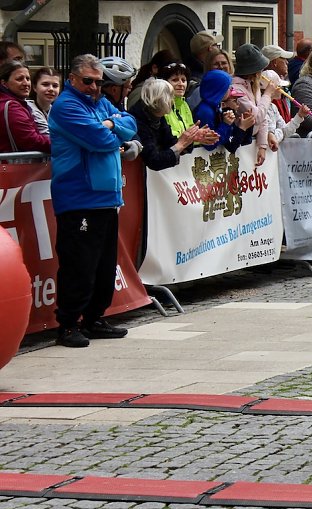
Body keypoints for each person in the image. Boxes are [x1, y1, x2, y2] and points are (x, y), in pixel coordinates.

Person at [49, 54, 138, 348]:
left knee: (103, 264)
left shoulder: (100, 103)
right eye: (87, 81)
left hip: (105, 197)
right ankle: (68, 324)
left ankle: (94, 318)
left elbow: (130, 123)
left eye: (98, 82)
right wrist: (113, 128)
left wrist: (110, 125)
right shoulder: (66, 105)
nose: (94, 87)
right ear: (72, 79)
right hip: (78, 197)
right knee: (80, 265)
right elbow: (100, 139)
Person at [131, 78, 216, 170]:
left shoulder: (158, 116)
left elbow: (170, 142)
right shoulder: (138, 121)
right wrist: (181, 144)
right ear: (159, 99)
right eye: (170, 96)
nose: (173, 101)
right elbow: (154, 160)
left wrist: (190, 139)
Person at [231, 43, 279, 164]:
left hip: (249, 144)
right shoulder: (236, 89)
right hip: (238, 145)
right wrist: (267, 94)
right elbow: (256, 117)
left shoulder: (254, 85)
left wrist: (262, 146)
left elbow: (263, 118)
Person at [193, 70, 256, 152]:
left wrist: (243, 125)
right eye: (228, 87)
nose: (231, 89)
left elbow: (231, 139)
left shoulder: (216, 107)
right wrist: (228, 125)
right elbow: (210, 145)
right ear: (219, 90)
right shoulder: (205, 111)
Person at [0, 60, 50, 152]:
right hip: (14, 164)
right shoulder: (12, 107)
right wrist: (62, 143)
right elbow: (32, 141)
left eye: (28, 78)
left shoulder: (15, 103)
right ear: (4, 83)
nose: (26, 83)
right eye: (19, 79)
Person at [260, 69, 310, 144]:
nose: (281, 89)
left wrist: (299, 116)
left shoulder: (273, 107)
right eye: (279, 86)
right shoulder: (261, 107)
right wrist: (279, 132)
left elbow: (286, 131)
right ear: (271, 88)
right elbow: (272, 137)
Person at [27, 66, 60, 135]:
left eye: (55, 86)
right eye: (45, 84)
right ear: (34, 87)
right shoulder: (27, 109)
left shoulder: (56, 111)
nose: (51, 89)